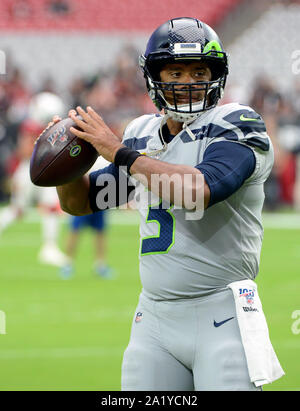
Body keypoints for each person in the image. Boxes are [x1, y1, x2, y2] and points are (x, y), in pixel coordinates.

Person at [51, 18, 284, 391]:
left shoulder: (236, 123)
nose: (188, 82)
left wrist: (118, 152)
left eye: (198, 71)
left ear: (217, 75)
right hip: (154, 320)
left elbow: (200, 189)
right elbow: (83, 201)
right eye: (175, 71)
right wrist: (65, 161)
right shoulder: (142, 134)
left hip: (221, 313)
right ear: (154, 79)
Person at [0, 92, 68, 266]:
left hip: (38, 171)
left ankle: (50, 248)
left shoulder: (35, 126)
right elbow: (25, 152)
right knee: (19, 211)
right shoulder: (31, 127)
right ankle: (49, 248)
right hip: (30, 171)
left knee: (49, 207)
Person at [60, 157, 114, 279]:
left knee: (100, 232)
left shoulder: (104, 158)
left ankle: (101, 265)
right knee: (74, 231)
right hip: (84, 198)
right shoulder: (86, 156)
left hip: (100, 198)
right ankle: (67, 263)